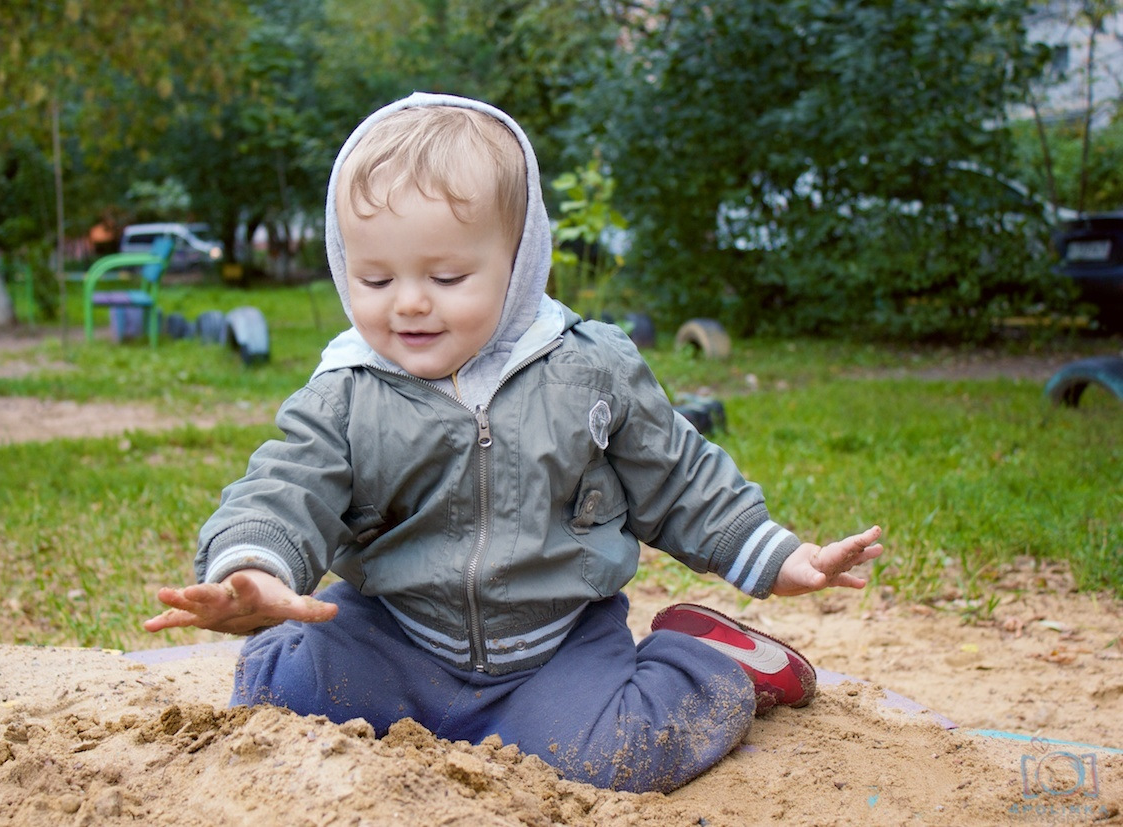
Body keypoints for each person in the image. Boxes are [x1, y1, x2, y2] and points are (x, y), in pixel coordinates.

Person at [144, 92, 884, 794]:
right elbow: (284, 484)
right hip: (395, 635)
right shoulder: (345, 392)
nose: (407, 300)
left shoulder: (589, 369)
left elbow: (681, 479)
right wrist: (252, 565)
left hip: (554, 644)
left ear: (521, 261)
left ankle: (709, 661)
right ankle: (295, 658)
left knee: (618, 755)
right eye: (374, 277)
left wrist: (780, 556)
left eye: (446, 274)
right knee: (276, 700)